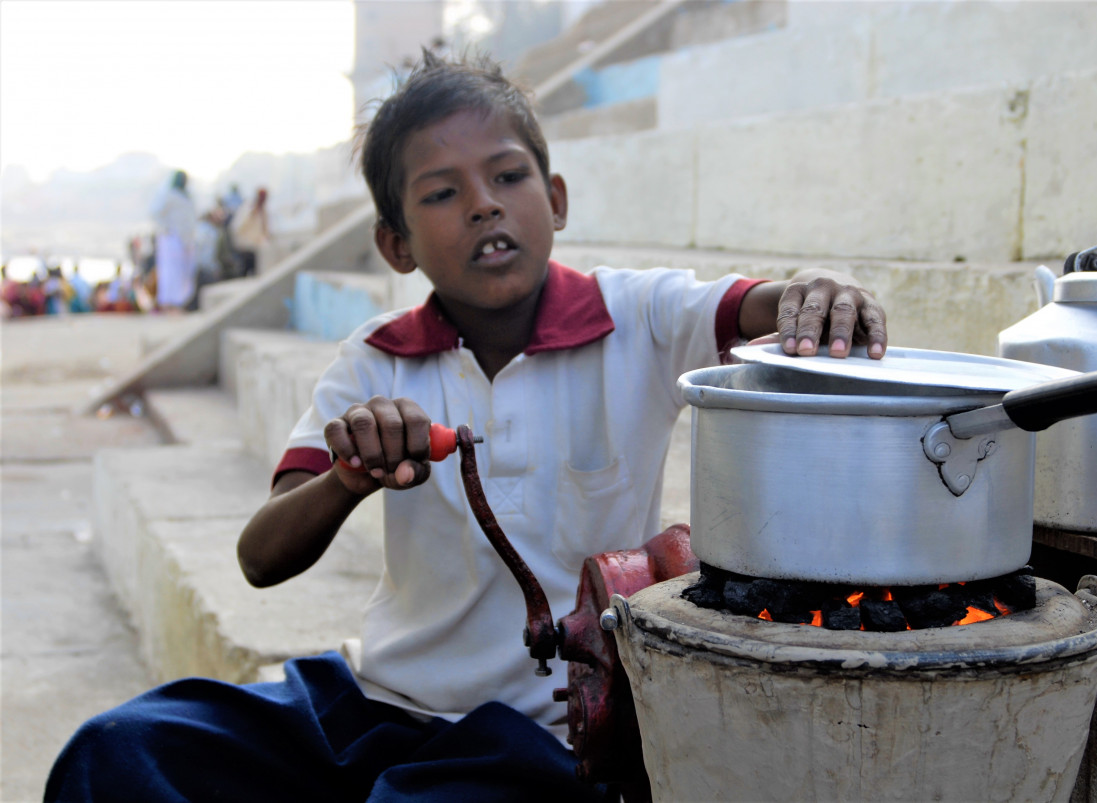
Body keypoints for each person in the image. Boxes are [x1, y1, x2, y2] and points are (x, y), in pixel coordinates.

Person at [45, 51, 887, 802]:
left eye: (509, 177)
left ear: (553, 199)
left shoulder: (636, 315)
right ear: (396, 243)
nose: (484, 207)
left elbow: (750, 306)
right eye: (442, 194)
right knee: (116, 751)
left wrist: (814, 288)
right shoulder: (374, 361)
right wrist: (351, 474)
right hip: (374, 699)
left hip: (539, 737)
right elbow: (261, 558)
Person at [149, 170, 196, 312]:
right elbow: (156, 213)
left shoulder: (187, 197)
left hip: (185, 240)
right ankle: (169, 302)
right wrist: (167, 228)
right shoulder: (169, 196)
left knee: (182, 271)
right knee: (170, 272)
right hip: (171, 239)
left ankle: (180, 301)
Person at [229, 187, 270, 277]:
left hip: (256, 245)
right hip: (245, 245)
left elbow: (264, 228)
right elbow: (238, 227)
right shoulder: (248, 207)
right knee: (246, 268)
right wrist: (252, 214)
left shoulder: (263, 210)